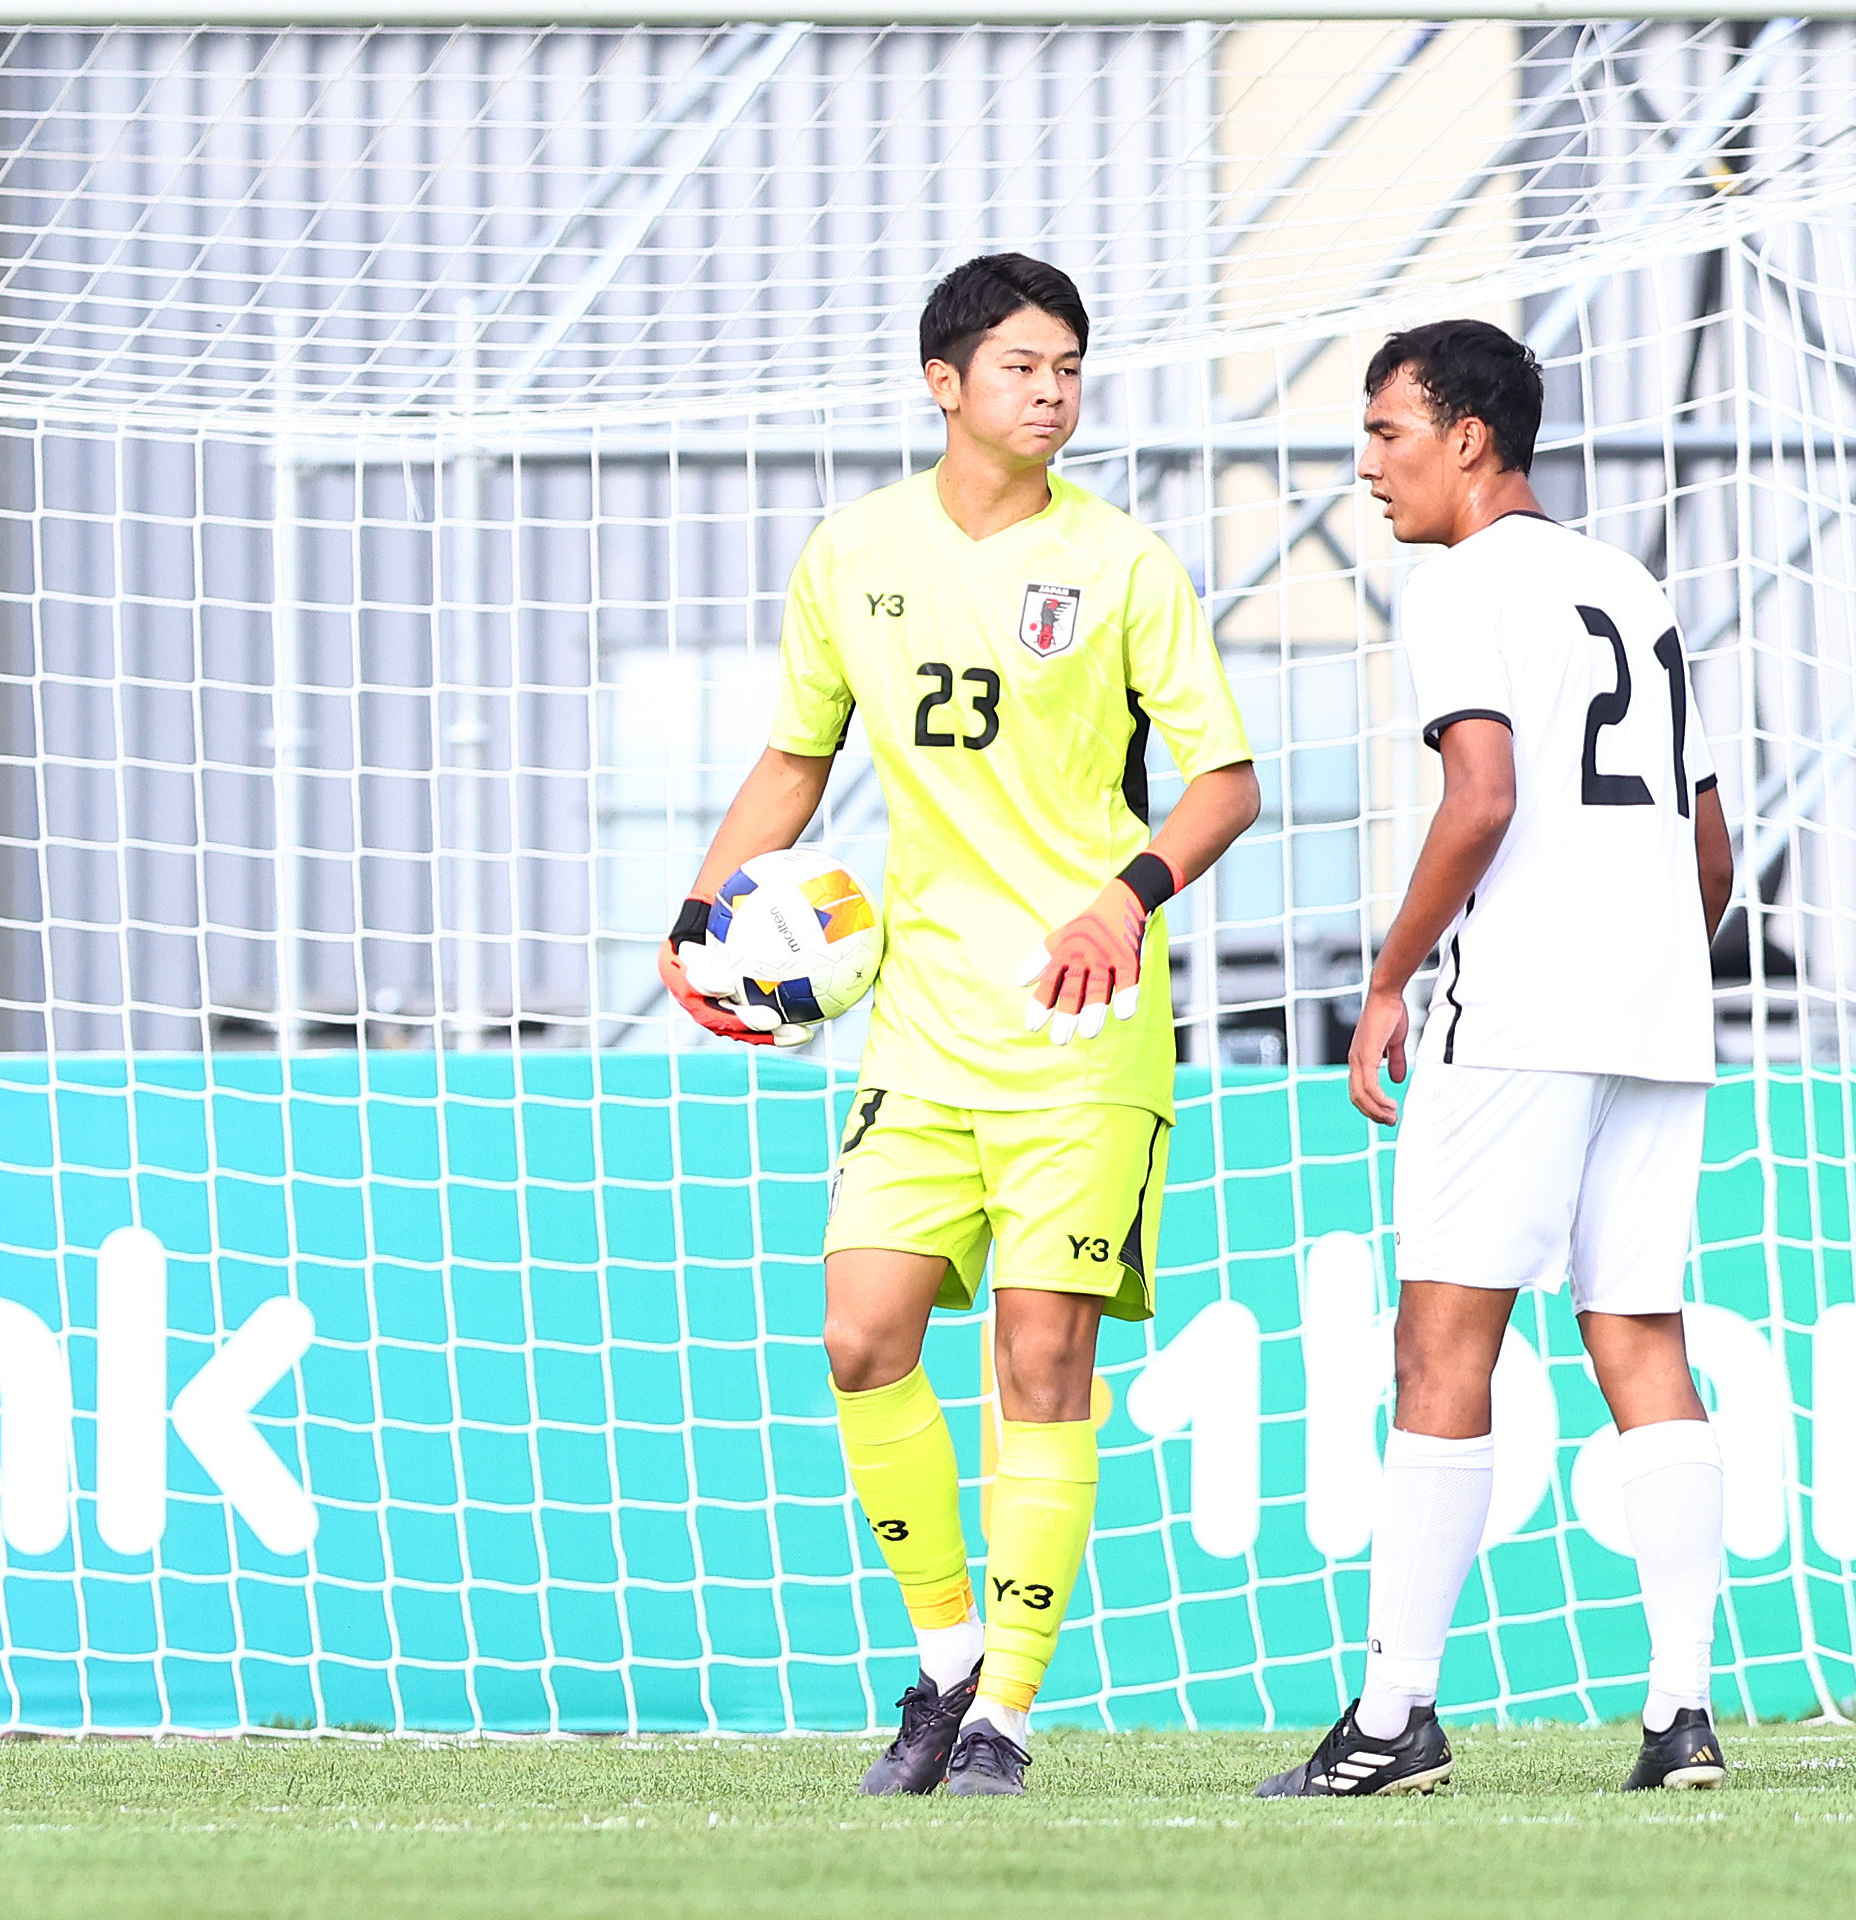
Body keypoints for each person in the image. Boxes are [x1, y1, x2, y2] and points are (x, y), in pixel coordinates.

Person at [662, 253, 1259, 1797]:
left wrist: (1125, 894)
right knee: (861, 1335)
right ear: (945, 383)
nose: (1052, 390)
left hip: (1081, 1024)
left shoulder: (1122, 563)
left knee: (1038, 1360)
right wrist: (698, 917)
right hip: (919, 1026)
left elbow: (1225, 782)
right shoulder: (850, 553)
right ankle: (941, 1661)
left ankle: (1006, 1710)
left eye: (1069, 366)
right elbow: (798, 759)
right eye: (1021, 365)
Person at [1258, 319, 1735, 1799]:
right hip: (1659, 1008)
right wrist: (1652, 956)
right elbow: (1707, 837)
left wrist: (1391, 977)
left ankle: (1395, 1719)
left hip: (1519, 1006)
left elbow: (1480, 797)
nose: (1370, 463)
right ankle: (1681, 1714)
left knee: (1441, 1344)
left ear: (1471, 436)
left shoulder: (1465, 582)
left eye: (1389, 430)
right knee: (1638, 1334)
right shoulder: (1629, 583)